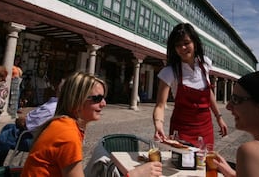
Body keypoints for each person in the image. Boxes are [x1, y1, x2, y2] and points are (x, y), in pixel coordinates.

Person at [21, 71, 163, 177]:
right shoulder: (67, 133)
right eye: (97, 98)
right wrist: (134, 175)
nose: (104, 103)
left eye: (104, 98)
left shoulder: (64, 124)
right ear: (76, 100)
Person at [153, 23, 228, 146]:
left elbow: (208, 92)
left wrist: (219, 117)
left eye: (186, 43)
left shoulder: (205, 64)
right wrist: (158, 124)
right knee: (182, 163)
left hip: (205, 128)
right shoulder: (170, 72)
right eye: (177, 45)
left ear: (195, 43)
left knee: (204, 163)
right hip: (181, 130)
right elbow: (160, 106)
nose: (182, 48)